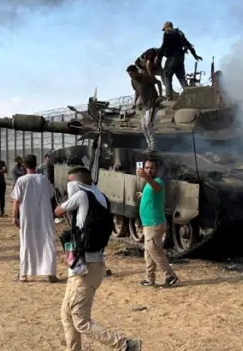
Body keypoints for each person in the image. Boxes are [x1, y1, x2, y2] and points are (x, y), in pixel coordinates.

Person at [55, 166, 142, 351]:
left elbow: (57, 211)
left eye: (69, 181)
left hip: (85, 267)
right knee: (67, 314)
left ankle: (126, 345)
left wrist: (65, 198)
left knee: (81, 320)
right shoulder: (101, 198)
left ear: (76, 182)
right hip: (87, 263)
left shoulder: (81, 196)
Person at [11, 154, 58, 282]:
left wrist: (14, 217)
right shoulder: (44, 179)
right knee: (47, 241)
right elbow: (51, 194)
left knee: (27, 242)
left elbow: (16, 200)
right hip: (44, 216)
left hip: (27, 217)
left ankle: (23, 274)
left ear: (24, 165)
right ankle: (50, 273)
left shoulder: (21, 180)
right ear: (36, 165)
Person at [137, 159, 179, 287]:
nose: (149, 170)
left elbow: (156, 187)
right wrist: (143, 195)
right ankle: (149, 278)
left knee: (155, 250)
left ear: (156, 170)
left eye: (152, 168)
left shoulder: (158, 181)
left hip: (154, 224)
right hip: (148, 224)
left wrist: (145, 177)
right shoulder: (148, 184)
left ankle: (170, 276)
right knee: (149, 252)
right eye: (147, 168)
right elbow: (152, 194)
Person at [158, 21, 201, 98]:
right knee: (181, 78)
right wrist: (195, 55)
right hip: (180, 59)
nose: (164, 30)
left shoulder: (167, 34)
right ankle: (190, 96)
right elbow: (188, 44)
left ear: (167, 27)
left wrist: (158, 58)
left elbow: (163, 46)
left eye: (165, 28)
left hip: (171, 59)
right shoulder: (179, 33)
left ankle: (169, 97)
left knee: (167, 76)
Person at [127, 64, 160, 152]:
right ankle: (149, 146)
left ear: (136, 71)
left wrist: (160, 96)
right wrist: (134, 102)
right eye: (129, 75)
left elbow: (158, 83)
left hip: (152, 104)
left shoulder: (146, 77)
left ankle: (153, 147)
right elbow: (137, 92)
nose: (131, 76)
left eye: (132, 74)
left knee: (148, 124)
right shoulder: (133, 81)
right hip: (144, 106)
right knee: (143, 127)